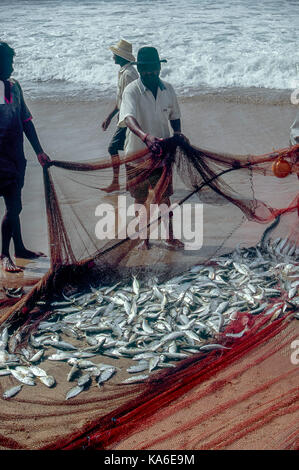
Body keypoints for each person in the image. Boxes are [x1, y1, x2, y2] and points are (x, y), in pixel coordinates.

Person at [118, 46, 187, 250]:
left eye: (153, 68)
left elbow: (175, 116)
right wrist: (145, 137)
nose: (149, 72)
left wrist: (177, 135)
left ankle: (170, 236)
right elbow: (128, 118)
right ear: (139, 70)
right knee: (140, 199)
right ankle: (144, 239)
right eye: (145, 69)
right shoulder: (132, 90)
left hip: (162, 155)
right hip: (136, 155)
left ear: (159, 67)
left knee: (164, 197)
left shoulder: (168, 89)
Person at [0, 41, 50, 273]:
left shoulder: (15, 86)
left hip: (16, 157)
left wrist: (39, 150)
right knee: (14, 206)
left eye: (11, 61)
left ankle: (19, 248)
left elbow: (26, 121)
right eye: (7, 62)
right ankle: (4, 254)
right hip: (1, 160)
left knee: (15, 206)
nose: (11, 66)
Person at [101, 39, 138, 192]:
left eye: (115, 54)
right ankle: (132, 182)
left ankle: (119, 182)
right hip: (125, 119)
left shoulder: (129, 74)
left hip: (128, 120)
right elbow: (121, 99)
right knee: (131, 150)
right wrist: (109, 117)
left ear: (121, 56)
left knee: (113, 148)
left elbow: (133, 99)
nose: (113, 57)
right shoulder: (124, 72)